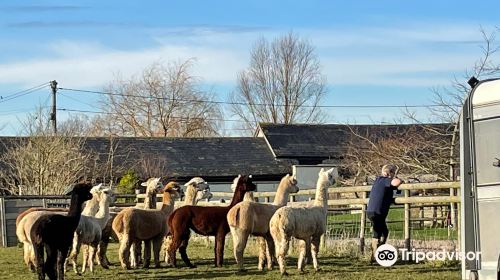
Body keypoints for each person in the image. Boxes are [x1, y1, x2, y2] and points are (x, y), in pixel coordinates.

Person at [366, 164, 402, 263]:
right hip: (377, 212)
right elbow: (396, 182)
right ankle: (376, 255)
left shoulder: (378, 182)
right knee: (378, 233)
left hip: (373, 211)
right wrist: (399, 180)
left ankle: (377, 251)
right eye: (392, 173)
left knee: (383, 231)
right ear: (388, 173)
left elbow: (392, 189)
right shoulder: (384, 180)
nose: (393, 175)